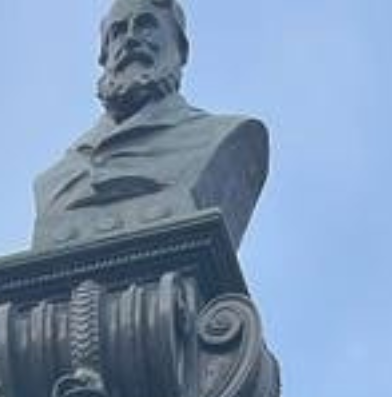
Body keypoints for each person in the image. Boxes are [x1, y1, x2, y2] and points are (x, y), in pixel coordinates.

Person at [33, 0, 269, 250]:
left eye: (146, 26)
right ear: (105, 56)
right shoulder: (58, 175)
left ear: (180, 49)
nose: (131, 39)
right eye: (119, 31)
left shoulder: (223, 137)